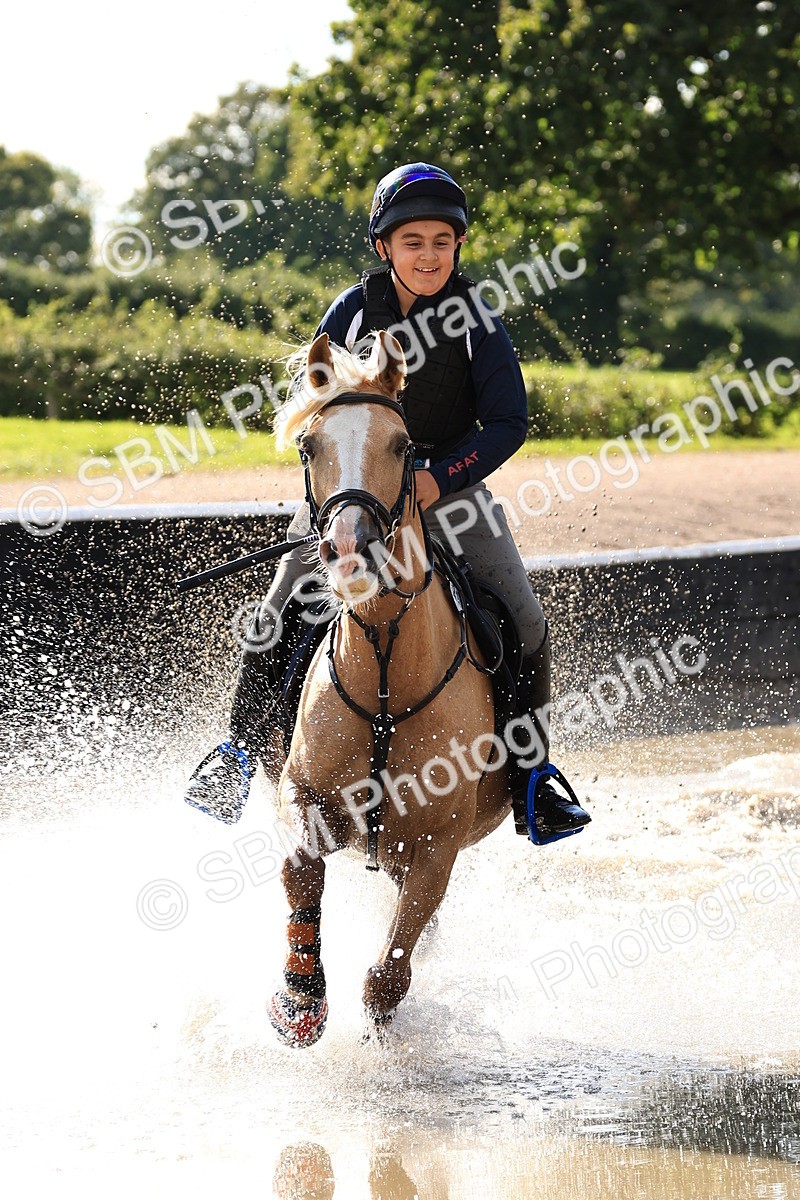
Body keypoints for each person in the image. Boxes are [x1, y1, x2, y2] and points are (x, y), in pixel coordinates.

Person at [184, 162, 590, 842]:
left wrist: (439, 476)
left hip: (449, 498)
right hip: (358, 501)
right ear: (384, 248)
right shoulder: (348, 312)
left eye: (441, 241)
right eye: (413, 242)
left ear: (457, 247)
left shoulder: (478, 323)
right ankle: (235, 755)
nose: (428, 254)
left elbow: (508, 422)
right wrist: (344, 496)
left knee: (525, 619)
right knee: (275, 609)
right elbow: (316, 412)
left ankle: (533, 781)